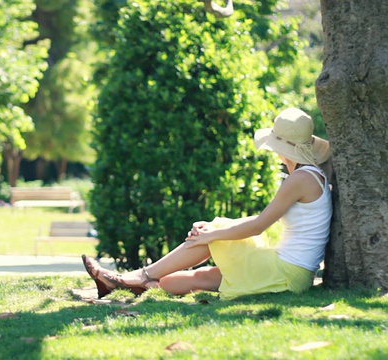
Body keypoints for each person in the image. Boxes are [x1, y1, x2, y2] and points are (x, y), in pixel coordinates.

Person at [82, 107, 332, 300]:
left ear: (281, 149)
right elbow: (265, 218)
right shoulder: (307, 175)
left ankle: (141, 275)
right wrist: (214, 230)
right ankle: (131, 283)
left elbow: (258, 226)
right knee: (179, 280)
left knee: (213, 233)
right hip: (288, 271)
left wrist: (211, 235)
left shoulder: (301, 178)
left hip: (286, 272)